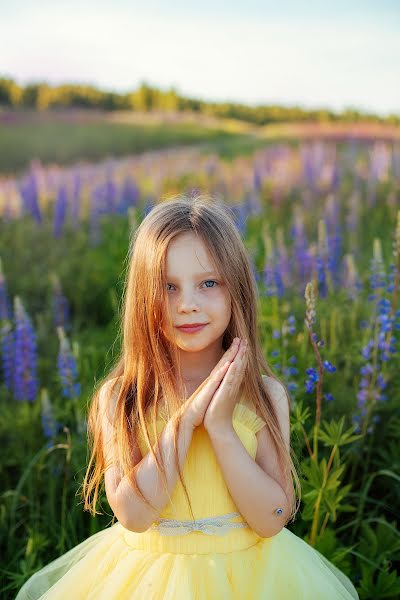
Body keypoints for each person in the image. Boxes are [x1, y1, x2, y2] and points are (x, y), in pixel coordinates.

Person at [16, 195, 359, 599]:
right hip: (146, 579)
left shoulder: (264, 395)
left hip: (250, 579)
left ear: (238, 292)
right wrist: (186, 420)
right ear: (143, 298)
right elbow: (134, 513)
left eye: (208, 283)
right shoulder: (123, 397)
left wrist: (220, 427)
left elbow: (272, 518)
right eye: (168, 287)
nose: (188, 305)